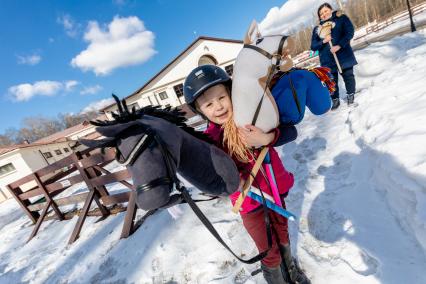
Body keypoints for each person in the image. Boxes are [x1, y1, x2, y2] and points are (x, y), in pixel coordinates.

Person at [184, 64, 310, 284]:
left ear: (231, 93)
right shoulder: (209, 141)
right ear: (200, 111)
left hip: (275, 191)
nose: (218, 107)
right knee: (267, 248)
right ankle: (277, 279)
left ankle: (291, 270)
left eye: (222, 97)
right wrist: (230, 181)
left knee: (282, 233)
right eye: (208, 104)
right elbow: (211, 177)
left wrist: (266, 139)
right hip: (249, 204)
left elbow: (291, 131)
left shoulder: (254, 118)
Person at [311, 2, 358, 110]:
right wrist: (323, 41)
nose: (324, 14)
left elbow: (349, 32)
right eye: (321, 13)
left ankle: (351, 94)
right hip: (327, 60)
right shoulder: (317, 29)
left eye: (326, 11)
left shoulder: (340, 18)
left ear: (331, 10)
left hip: (343, 55)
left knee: (348, 76)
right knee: (331, 82)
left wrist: (339, 46)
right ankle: (335, 99)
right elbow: (313, 46)